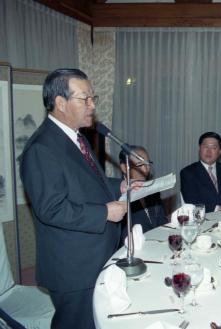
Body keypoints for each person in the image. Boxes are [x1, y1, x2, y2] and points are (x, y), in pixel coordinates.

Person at [20, 69, 128, 329]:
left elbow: (86, 185)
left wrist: (120, 185)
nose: (92, 106)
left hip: (94, 257)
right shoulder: (42, 148)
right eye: (85, 99)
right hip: (74, 268)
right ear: (60, 103)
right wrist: (104, 213)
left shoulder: (75, 137)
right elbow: (51, 208)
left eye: (93, 98)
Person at [180, 132, 221, 212]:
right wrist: (218, 209)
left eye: (213, 148)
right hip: (204, 219)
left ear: (220, 151)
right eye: (205, 147)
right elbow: (192, 202)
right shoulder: (188, 173)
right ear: (200, 148)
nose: (208, 151)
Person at [119, 145, 167, 242]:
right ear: (124, 168)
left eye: (148, 163)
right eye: (140, 164)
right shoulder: (118, 196)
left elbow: (162, 223)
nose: (146, 169)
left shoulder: (152, 190)